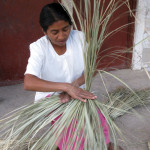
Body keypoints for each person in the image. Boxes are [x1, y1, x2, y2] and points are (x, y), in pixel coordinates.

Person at [24, 3, 123, 150]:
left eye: (65, 29)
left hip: (78, 92)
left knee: (98, 120)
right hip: (54, 98)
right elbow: (29, 82)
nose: (62, 36)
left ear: (71, 25)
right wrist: (66, 87)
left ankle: (105, 145)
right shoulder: (39, 47)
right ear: (44, 31)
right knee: (71, 132)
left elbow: (92, 68)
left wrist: (75, 85)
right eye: (54, 32)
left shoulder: (79, 38)